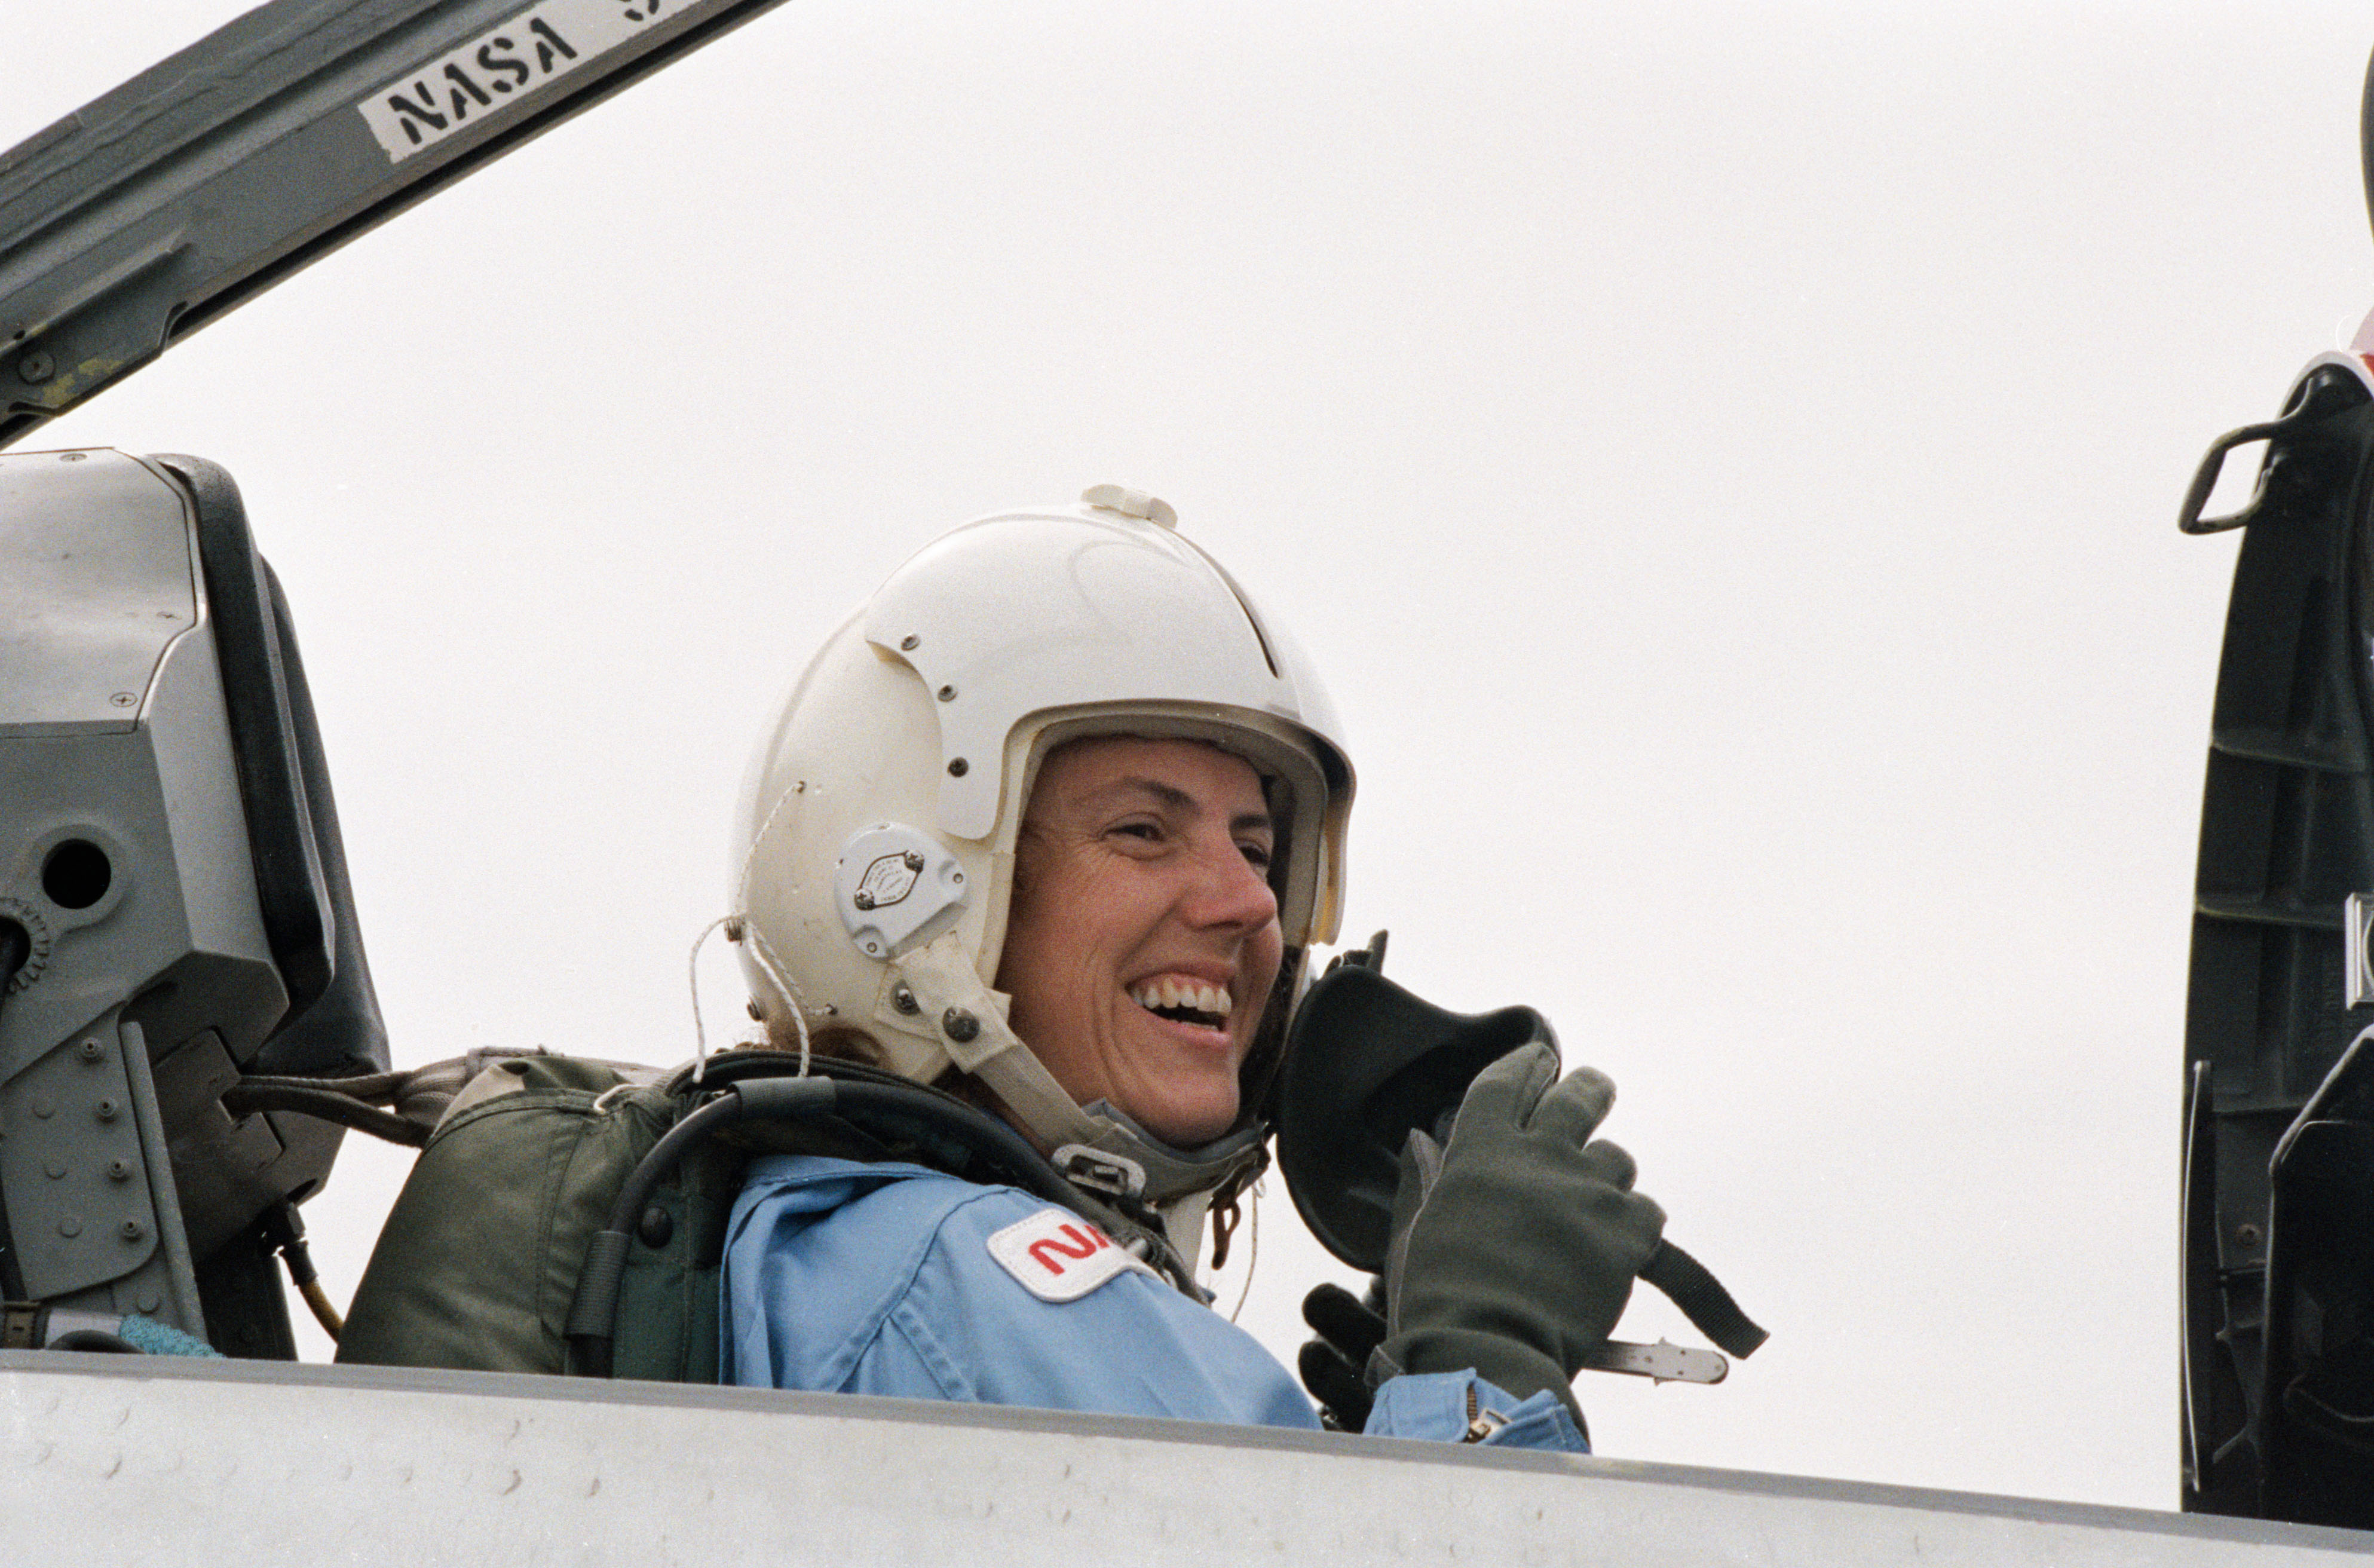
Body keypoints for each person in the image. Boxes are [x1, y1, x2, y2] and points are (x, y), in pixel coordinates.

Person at [717, 485, 1665, 1450]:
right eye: (1142, 832)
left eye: (1255, 850)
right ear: (923, 907)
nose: (1249, 903)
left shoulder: (843, 1259)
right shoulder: (969, 1282)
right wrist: (1482, 1372)